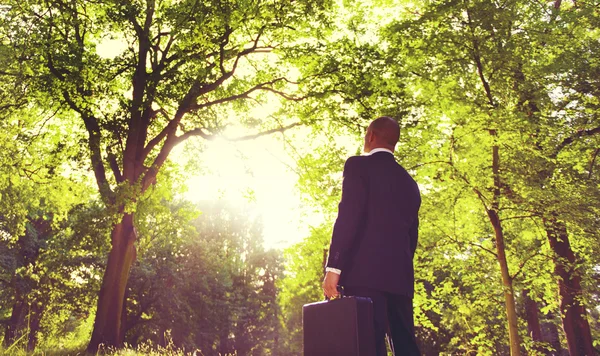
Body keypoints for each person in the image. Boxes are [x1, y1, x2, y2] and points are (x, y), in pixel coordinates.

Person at [322, 116, 421, 356]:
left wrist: (334, 268)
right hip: (401, 279)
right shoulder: (410, 183)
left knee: (368, 345)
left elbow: (349, 217)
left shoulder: (357, 166)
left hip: (364, 277)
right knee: (406, 347)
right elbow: (412, 237)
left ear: (371, 136)